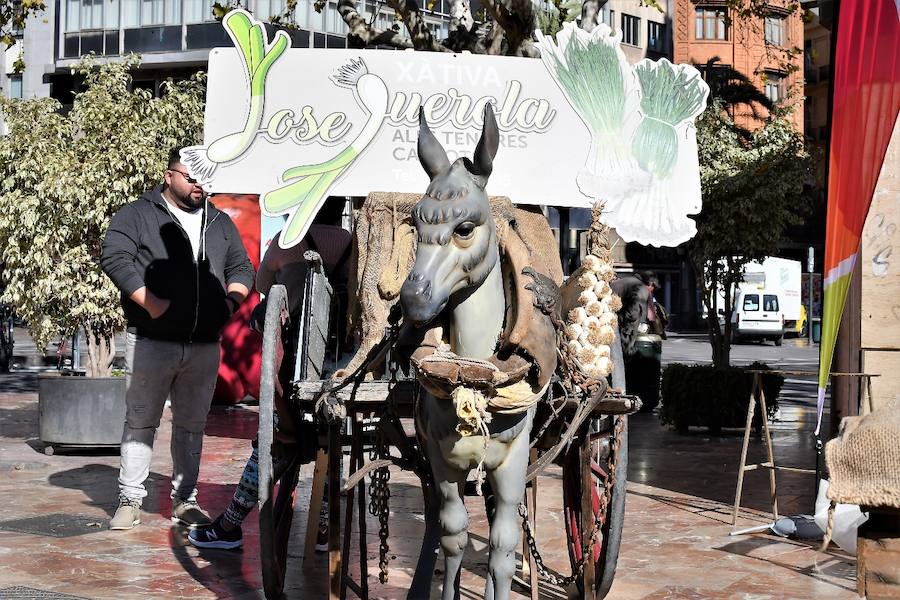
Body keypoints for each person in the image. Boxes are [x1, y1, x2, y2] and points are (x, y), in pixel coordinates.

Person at [100, 148, 254, 530]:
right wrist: (150, 304)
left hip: (204, 344)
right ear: (169, 176)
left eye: (204, 178)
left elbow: (241, 266)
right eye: (191, 177)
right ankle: (129, 500)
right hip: (151, 339)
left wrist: (230, 304)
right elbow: (115, 257)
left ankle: (185, 501)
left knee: (191, 424)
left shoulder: (218, 221)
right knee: (141, 421)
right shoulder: (137, 213)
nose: (199, 185)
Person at [188, 198, 351, 550]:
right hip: (346, 367)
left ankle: (230, 524)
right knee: (335, 442)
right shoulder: (353, 243)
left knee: (270, 444)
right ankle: (324, 527)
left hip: (296, 365)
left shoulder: (286, 241)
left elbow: (263, 285)